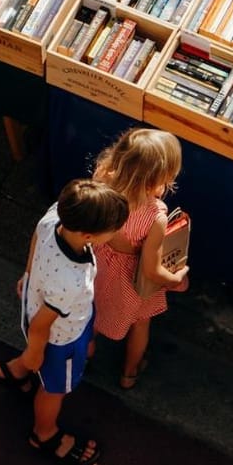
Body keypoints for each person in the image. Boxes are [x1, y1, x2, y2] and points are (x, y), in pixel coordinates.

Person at [0, 178, 128, 465]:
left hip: (43, 304)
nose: (116, 233)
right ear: (89, 236)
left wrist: (28, 276)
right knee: (55, 388)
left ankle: (16, 372)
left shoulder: (56, 215)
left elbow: (36, 240)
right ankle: (44, 434)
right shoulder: (72, 281)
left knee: (42, 362)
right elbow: (42, 326)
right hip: (60, 338)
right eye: (113, 231)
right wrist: (35, 352)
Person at [91, 127, 188, 388]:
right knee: (140, 324)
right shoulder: (155, 215)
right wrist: (175, 279)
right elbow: (151, 269)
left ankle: (83, 355)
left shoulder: (101, 179)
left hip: (97, 265)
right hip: (130, 280)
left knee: (92, 314)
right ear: (159, 177)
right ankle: (129, 373)